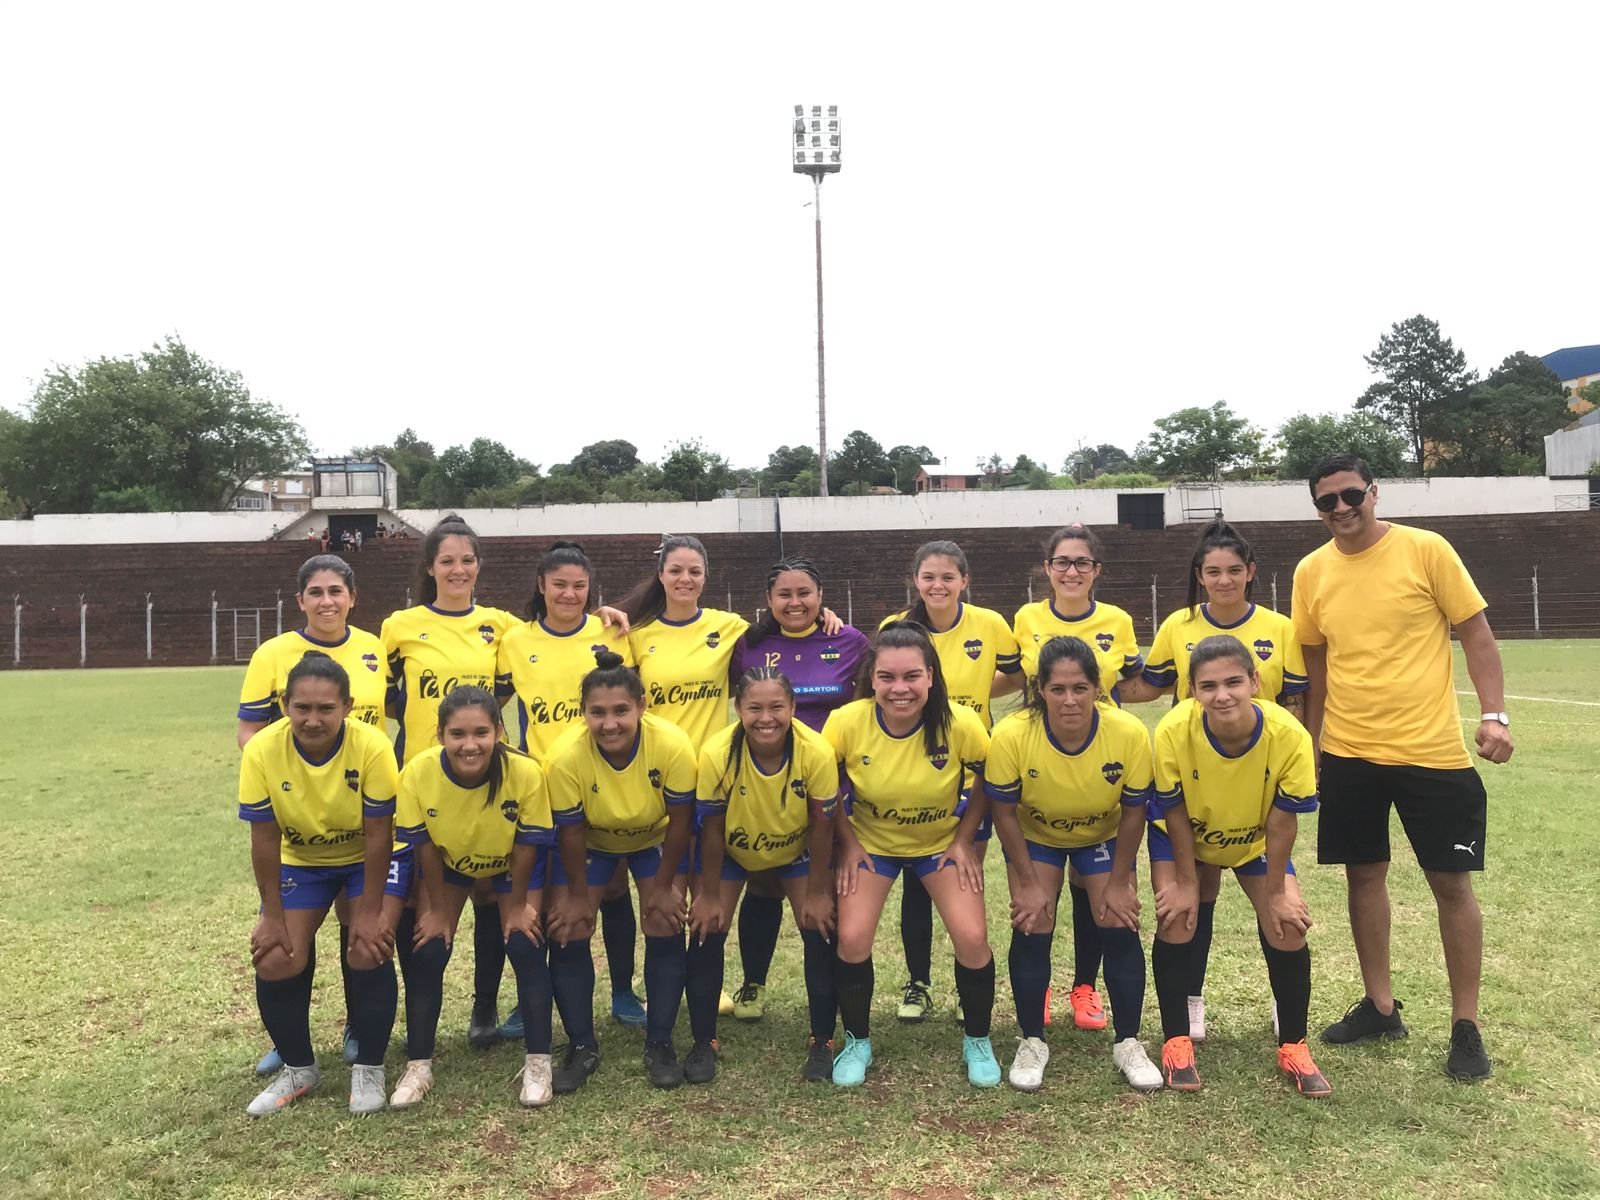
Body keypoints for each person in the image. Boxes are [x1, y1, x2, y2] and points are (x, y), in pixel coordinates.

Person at [1292, 454, 1512, 1080]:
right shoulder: (1312, 571)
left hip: (1431, 752)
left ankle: (1465, 1025)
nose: (1340, 509)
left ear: (1373, 492)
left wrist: (1496, 715)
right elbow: (1317, 665)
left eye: (1350, 495)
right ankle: (1381, 1006)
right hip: (1349, 754)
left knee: (1451, 886)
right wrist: (1310, 742)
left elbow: (1476, 634)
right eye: (1326, 502)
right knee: (1364, 877)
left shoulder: (1426, 550)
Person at [1118, 518, 1308, 1042]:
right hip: (1192, 779)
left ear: (1250, 573)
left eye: (1233, 571)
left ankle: (1284, 1008)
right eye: (1212, 572)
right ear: (1200, 577)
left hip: (1255, 778)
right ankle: (1190, 1003)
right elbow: (1150, 686)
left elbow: (1293, 702)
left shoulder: (1278, 627)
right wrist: (1093, 687)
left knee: (1277, 907)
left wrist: (1306, 760)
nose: (1223, 580)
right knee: (1191, 904)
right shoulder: (1178, 625)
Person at [1146, 635, 1331, 1098]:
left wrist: (1275, 893)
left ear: (1255, 681)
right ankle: (1176, 1042)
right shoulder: (1173, 730)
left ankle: (1293, 1045)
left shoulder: (1288, 735)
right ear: (1192, 690)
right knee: (1177, 917)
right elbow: (1173, 811)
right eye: (1208, 686)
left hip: (1254, 840)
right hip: (1185, 834)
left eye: (1233, 682)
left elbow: (1283, 819)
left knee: (1287, 925)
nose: (1222, 694)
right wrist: (1187, 881)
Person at [387, 687, 586, 1109]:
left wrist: (517, 905)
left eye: (481, 732)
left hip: (512, 865)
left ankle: (538, 1062)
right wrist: (439, 910)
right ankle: (418, 1065)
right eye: (457, 734)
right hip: (451, 864)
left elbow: (528, 848)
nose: (470, 744)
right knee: (428, 949)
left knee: (524, 942)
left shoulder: (525, 772)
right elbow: (424, 849)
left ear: (499, 731)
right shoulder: (418, 773)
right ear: (440, 735)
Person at [822, 621, 999, 1089]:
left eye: (911, 677)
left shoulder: (960, 723)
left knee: (972, 937)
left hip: (938, 847)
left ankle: (978, 1039)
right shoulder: (847, 721)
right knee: (853, 937)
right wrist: (849, 842)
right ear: (872, 679)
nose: (899, 689)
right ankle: (857, 1040)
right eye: (887, 677)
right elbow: (823, 786)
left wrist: (964, 838)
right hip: (872, 846)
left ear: (931, 677)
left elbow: (988, 779)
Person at [986, 636, 1162, 1093]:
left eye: (1081, 689)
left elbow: (1134, 811)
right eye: (1058, 689)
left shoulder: (1126, 733)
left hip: (1101, 837)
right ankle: (1031, 1040)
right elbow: (1003, 812)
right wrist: (1026, 883)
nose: (1069, 700)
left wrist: (1121, 881)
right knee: (1033, 919)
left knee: (1118, 920)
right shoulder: (1011, 735)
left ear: (1098, 689)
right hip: (1037, 836)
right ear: (1040, 689)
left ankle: (1127, 1041)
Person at [237, 554, 388, 1076]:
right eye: (316, 592)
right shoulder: (273, 653)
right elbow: (249, 728)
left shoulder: (374, 647)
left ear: (353, 596)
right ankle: (290, 1044)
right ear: (299, 599)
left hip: (363, 797)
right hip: (297, 801)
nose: (327, 601)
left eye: (336, 591)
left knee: (361, 930)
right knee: (283, 943)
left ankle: (356, 1027)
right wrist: (286, 779)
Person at [238, 653, 405, 1117]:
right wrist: (271, 916)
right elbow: (264, 839)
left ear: (348, 706)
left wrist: (370, 913)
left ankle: (369, 1067)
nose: (313, 719)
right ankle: (299, 1069)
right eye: (302, 708)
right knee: (274, 957)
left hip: (363, 861)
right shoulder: (262, 750)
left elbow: (378, 836)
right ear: (285, 704)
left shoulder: (372, 746)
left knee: (368, 947)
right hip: (303, 861)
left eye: (325, 709)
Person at [494, 541, 646, 1038]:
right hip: (540, 788)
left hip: (605, 778)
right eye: (559, 584)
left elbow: (631, 701)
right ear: (541, 586)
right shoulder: (515, 641)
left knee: (614, 887)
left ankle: (623, 990)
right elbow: (492, 707)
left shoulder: (611, 633)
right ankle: (527, 999)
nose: (569, 594)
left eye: (579, 585)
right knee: (539, 893)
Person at [381, 515, 522, 1049]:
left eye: (467, 560)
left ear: (478, 566)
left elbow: (507, 687)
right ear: (430, 566)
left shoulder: (501, 626)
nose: (458, 569)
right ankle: (421, 1015)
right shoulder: (400, 626)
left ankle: (483, 1009)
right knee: (420, 897)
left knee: (488, 892)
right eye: (447, 560)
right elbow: (386, 693)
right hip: (423, 777)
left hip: (489, 776)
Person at [877, 541, 1022, 1025]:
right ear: (914, 581)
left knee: (962, 878)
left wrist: (977, 696)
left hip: (970, 769)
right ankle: (917, 983)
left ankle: (968, 987)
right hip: (916, 770)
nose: (937, 586)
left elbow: (1015, 675)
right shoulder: (897, 629)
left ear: (965, 581)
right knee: (917, 885)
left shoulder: (990, 625)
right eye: (928, 578)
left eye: (947, 577)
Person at [542, 650, 700, 1090]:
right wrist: (576, 896)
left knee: (663, 919)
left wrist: (666, 886)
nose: (609, 723)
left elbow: (682, 819)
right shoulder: (564, 756)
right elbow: (570, 833)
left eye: (620, 711)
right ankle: (581, 1045)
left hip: (654, 837)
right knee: (570, 927)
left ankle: (660, 1040)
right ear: (583, 713)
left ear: (642, 707)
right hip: (593, 842)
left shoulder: (671, 743)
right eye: (597, 713)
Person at [1011, 524, 1144, 1036]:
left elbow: (1135, 682)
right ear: (1047, 569)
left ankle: (1084, 987)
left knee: (1098, 891)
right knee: (1042, 894)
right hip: (1043, 752)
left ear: (1096, 571)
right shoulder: (1025, 618)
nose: (1071, 571)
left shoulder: (1118, 621)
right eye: (1062, 562)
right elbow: (1003, 674)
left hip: (1099, 758)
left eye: (1081, 563)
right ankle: (1038, 985)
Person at [722, 555, 867, 1022]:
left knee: (822, 892)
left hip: (832, 793)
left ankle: (830, 1002)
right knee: (763, 886)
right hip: (763, 790)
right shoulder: (749, 645)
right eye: (784, 594)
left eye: (804, 592)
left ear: (821, 597)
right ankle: (753, 984)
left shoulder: (849, 642)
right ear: (768, 600)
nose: (795, 601)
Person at [688, 667, 842, 1082]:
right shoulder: (717, 753)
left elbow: (824, 825)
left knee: (820, 925)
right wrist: (706, 895)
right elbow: (712, 829)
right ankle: (704, 1041)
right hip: (735, 851)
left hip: (794, 850)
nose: (766, 717)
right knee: (706, 927)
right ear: (738, 709)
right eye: (754, 707)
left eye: (777, 706)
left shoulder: (816, 751)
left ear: (793, 707)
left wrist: (817, 893)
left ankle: (822, 1040)